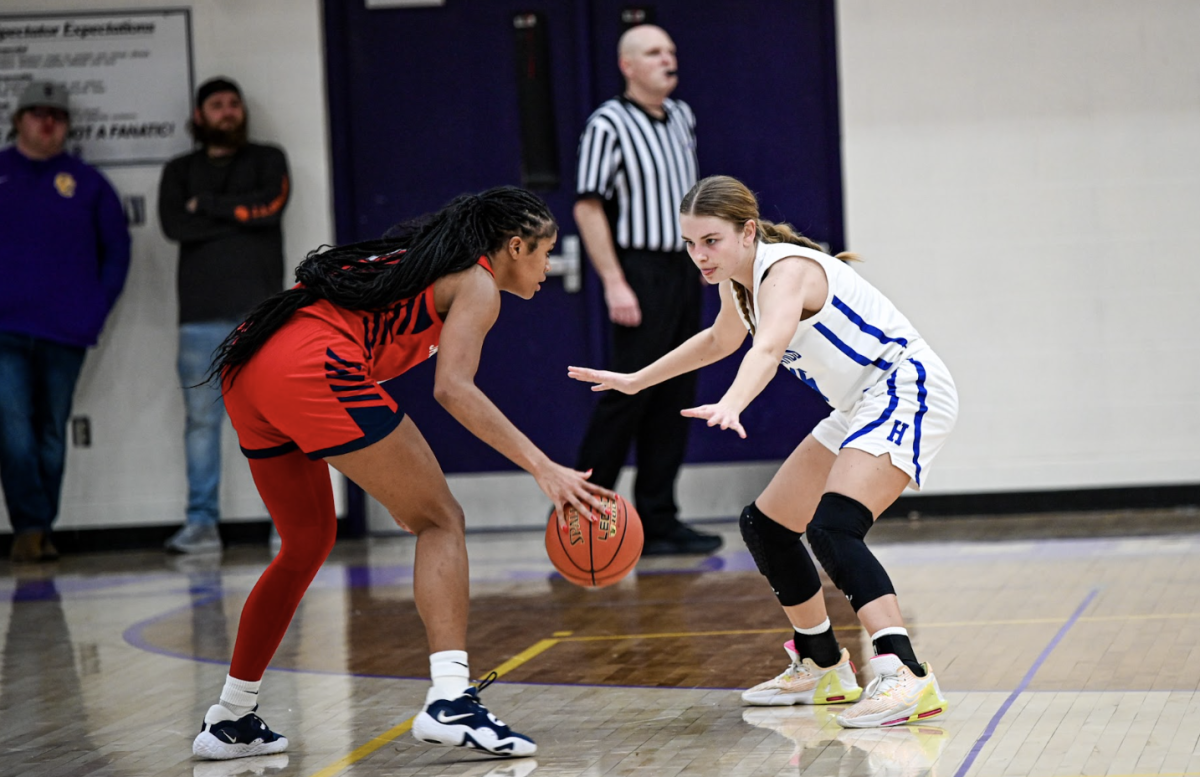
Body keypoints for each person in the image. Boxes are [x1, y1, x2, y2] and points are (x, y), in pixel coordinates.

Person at [190, 186, 608, 761]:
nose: (547, 266)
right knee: (441, 521)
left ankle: (231, 719)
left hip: (249, 365)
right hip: (313, 365)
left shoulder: (421, 258)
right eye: (544, 253)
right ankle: (452, 700)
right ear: (514, 246)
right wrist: (544, 467)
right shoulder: (479, 284)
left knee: (306, 541)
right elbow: (452, 389)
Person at [569, 175, 959, 728]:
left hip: (904, 387)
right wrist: (636, 380)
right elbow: (718, 342)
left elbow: (769, 347)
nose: (698, 255)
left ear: (748, 232)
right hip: (859, 405)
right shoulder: (740, 281)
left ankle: (906, 673)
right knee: (767, 524)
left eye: (711, 241)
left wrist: (732, 402)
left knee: (832, 528)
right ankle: (823, 664)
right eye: (689, 244)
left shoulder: (786, 271)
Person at [571, 24, 720, 556]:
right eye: (655, 52)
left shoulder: (683, 116)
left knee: (675, 390)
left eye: (672, 51)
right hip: (638, 269)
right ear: (628, 65)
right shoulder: (608, 123)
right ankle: (581, 513)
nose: (668, 59)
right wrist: (614, 281)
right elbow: (587, 206)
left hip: (684, 266)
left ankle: (658, 517)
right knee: (625, 392)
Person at [158, 77, 290, 555]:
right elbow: (175, 225)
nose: (228, 112)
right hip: (199, 319)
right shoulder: (178, 171)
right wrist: (238, 216)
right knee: (201, 423)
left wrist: (208, 209)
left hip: (262, 317)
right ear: (199, 116)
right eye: (217, 105)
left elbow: (270, 209)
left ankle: (289, 523)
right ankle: (201, 525)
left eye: (234, 103)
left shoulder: (268, 160)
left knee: (278, 421)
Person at [0, 81, 131, 563]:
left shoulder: (88, 183)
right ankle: (31, 528)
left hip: (64, 329)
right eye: (37, 113)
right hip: (4, 330)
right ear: (18, 121)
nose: (47, 122)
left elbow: (117, 251)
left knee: (52, 431)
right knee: (13, 430)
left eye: (56, 114)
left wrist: (95, 307)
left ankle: (38, 530)